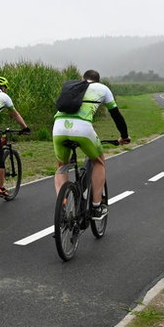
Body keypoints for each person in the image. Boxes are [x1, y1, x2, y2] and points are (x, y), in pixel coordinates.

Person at [52, 69, 130, 220]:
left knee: (61, 166)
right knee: (98, 161)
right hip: (83, 129)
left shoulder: (72, 87)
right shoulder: (102, 89)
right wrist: (124, 136)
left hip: (59, 127)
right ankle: (96, 207)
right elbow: (116, 115)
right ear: (97, 81)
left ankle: (63, 204)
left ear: (83, 79)